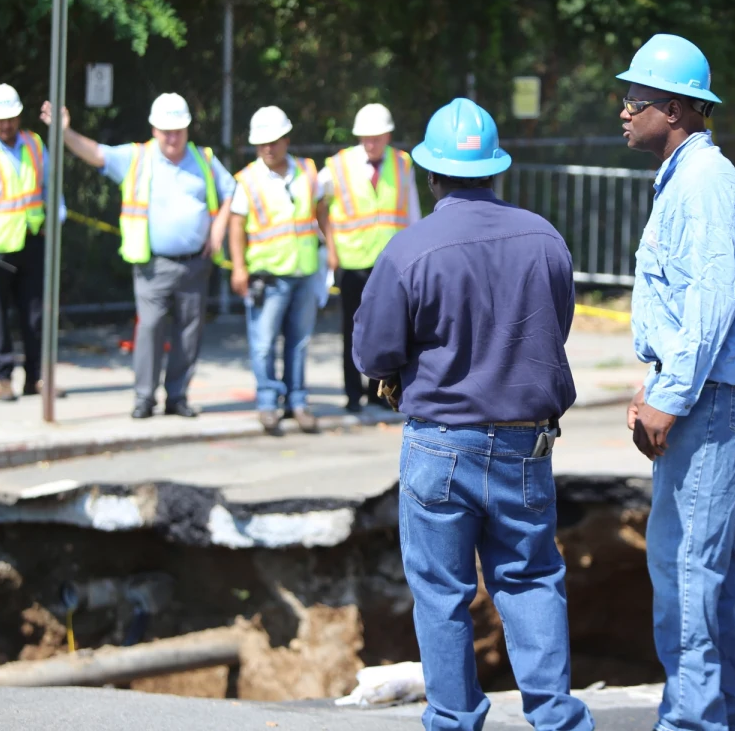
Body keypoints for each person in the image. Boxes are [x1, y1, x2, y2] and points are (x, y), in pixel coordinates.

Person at [351, 97, 594, 731]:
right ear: (495, 170)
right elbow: (556, 327)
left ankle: (455, 721)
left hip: (440, 445)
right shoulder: (544, 238)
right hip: (524, 445)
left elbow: (373, 351)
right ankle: (557, 720)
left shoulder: (409, 249)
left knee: (441, 594)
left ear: (432, 175)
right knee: (531, 579)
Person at [618, 33, 735, 731]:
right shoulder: (690, 177)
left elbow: (712, 300)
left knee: (687, 567)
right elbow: (688, 303)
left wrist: (670, 395)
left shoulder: (702, 182)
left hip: (715, 392)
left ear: (673, 108)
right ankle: (732, 712)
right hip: (708, 385)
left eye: (634, 100)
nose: (624, 112)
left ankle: (694, 720)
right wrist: (658, 379)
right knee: (706, 560)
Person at [44, 93, 236, 419]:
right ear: (154, 129)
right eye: (166, 130)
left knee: (189, 333)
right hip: (153, 265)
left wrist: (218, 229)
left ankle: (177, 397)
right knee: (149, 330)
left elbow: (231, 190)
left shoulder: (203, 158)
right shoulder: (138, 157)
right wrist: (65, 132)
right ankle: (144, 398)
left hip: (195, 264)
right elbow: (96, 154)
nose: (173, 137)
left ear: (188, 128)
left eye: (178, 130)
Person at [0, 84, 66, 402]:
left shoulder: (34, 144)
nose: (6, 125)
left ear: (19, 116)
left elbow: (51, 185)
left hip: (32, 242)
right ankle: (2, 377)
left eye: (10, 118)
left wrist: (54, 220)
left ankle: (35, 377)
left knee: (35, 316)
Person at [225, 106, 328, 434]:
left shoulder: (308, 172)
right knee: (264, 343)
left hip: (304, 271)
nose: (268, 148)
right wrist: (238, 267)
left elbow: (321, 211)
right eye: (261, 143)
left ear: (286, 139)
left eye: (273, 141)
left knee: (298, 343)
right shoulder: (248, 180)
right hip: (267, 277)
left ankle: (297, 401)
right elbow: (236, 225)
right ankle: (268, 403)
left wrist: (332, 251)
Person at [317, 103, 421, 413]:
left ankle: (381, 393)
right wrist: (330, 247)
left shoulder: (403, 164)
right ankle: (352, 395)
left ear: (388, 135)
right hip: (352, 263)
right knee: (353, 330)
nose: (371, 143)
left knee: (389, 330)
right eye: (366, 138)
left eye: (377, 137)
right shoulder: (338, 166)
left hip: (391, 264)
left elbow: (412, 211)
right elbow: (317, 204)